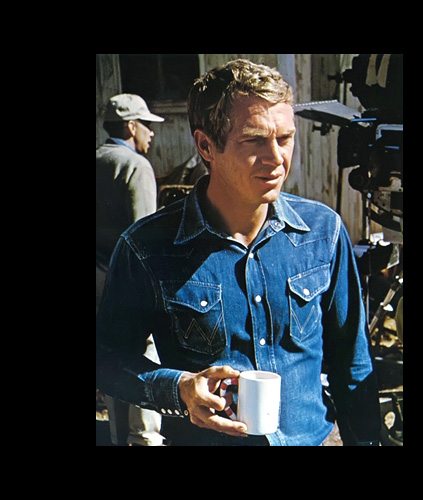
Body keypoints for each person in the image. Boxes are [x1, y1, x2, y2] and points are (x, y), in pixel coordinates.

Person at [96, 60, 381, 446]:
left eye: (285, 138)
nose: (276, 158)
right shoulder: (148, 247)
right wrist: (178, 389)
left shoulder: (323, 233)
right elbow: (108, 359)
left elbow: (353, 363)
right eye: (254, 140)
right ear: (206, 146)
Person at [96, 93, 165, 446]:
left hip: (98, 280)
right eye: (147, 125)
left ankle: (116, 436)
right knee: (143, 356)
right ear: (131, 126)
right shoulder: (136, 166)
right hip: (127, 282)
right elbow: (144, 235)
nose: (151, 133)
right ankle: (145, 438)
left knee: (109, 356)